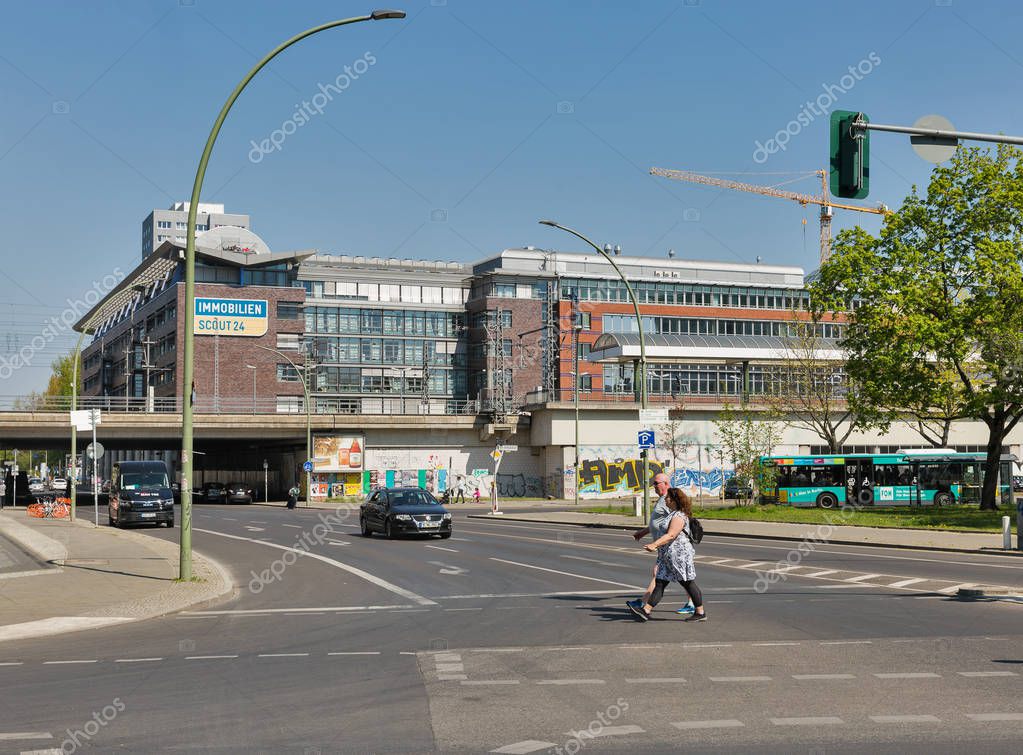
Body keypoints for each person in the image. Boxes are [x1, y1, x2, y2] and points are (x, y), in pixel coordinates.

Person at [629, 486, 706, 622]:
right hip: (668, 556)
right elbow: (661, 528)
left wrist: (654, 544)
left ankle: (700, 612)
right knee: (660, 582)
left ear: (675, 500)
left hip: (679, 555)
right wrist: (643, 532)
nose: (666, 500)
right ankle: (646, 610)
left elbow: (671, 535)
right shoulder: (672, 513)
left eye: (668, 498)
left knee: (687, 583)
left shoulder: (679, 516)